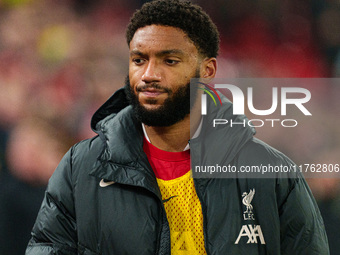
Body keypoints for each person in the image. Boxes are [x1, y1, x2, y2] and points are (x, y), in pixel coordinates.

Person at [26, 1, 329, 254]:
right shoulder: (81, 168)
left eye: (169, 61)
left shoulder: (272, 174)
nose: (149, 74)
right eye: (138, 60)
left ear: (207, 71)